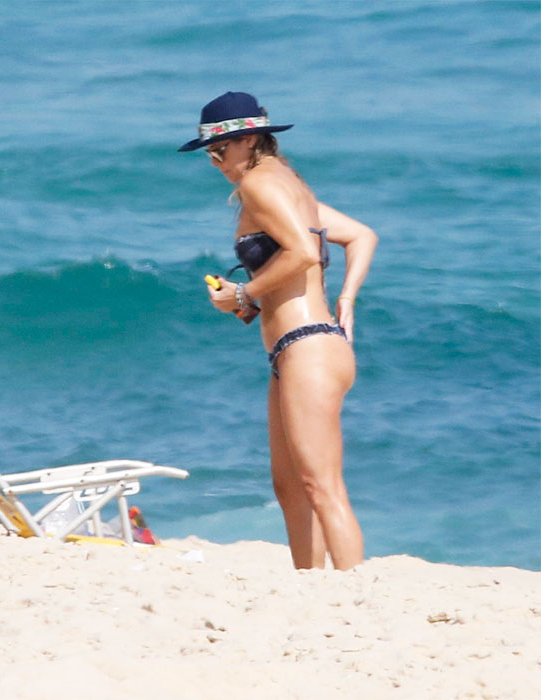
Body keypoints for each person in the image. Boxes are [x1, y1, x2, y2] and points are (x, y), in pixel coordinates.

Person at [179, 92, 378, 570]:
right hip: (298, 348)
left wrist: (245, 294)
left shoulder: (260, 185)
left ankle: (357, 597)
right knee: (291, 486)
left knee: (322, 487)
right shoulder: (289, 184)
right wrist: (344, 298)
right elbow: (360, 235)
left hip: (307, 345)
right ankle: (310, 586)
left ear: (246, 140)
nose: (213, 161)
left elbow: (304, 255)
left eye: (217, 150)